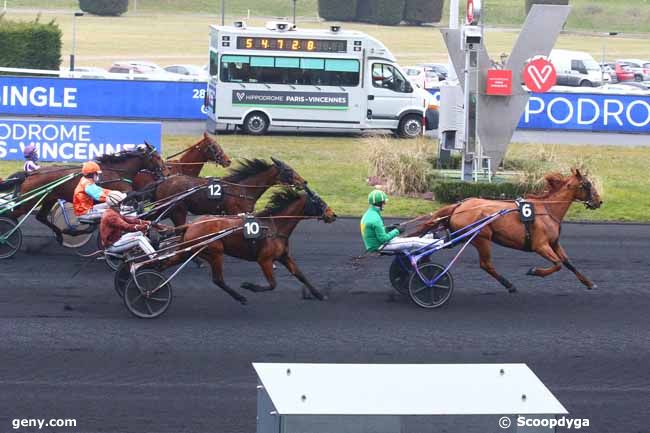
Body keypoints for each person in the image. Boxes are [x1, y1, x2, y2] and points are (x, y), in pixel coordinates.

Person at [360, 189, 440, 253]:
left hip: (374, 244)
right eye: (384, 202)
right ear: (379, 203)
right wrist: (397, 231)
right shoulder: (375, 218)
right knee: (413, 241)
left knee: (407, 239)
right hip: (379, 245)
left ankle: (430, 237)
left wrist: (388, 228)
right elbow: (383, 239)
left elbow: (375, 231)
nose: (385, 204)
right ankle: (441, 243)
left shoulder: (369, 214)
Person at [100, 191, 156, 258]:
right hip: (113, 245)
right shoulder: (111, 216)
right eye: (121, 202)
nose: (123, 203)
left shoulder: (113, 211)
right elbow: (127, 227)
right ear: (116, 203)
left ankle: (148, 248)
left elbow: (130, 220)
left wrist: (146, 222)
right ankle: (155, 257)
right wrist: (144, 227)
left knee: (140, 232)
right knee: (139, 239)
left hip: (118, 238)